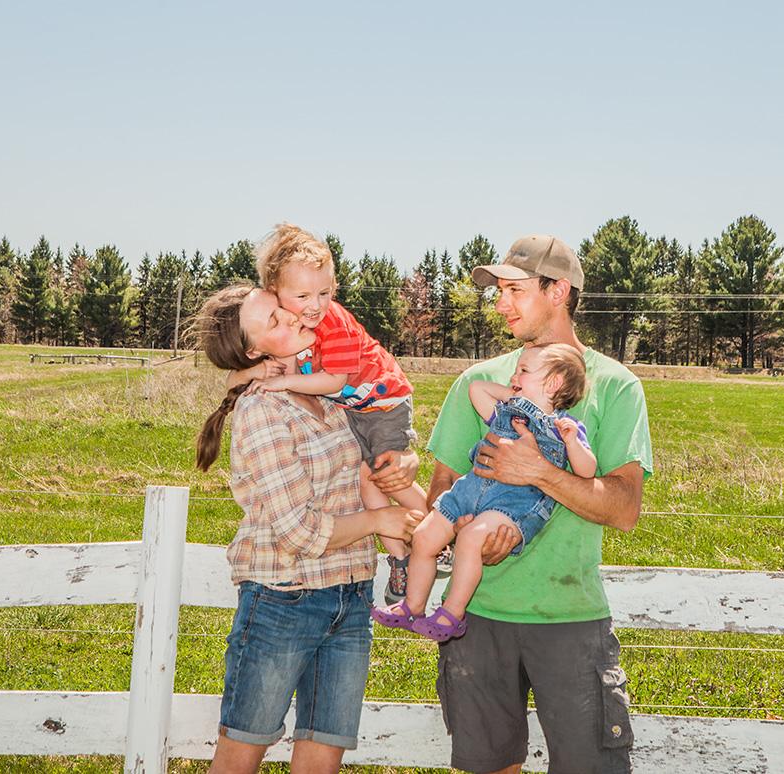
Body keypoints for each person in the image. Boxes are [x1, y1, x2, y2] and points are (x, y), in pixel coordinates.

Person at [426, 234, 653, 774]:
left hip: (571, 619)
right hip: (476, 618)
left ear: (560, 291)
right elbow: (442, 496)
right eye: (498, 291)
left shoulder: (615, 387)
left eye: (514, 290)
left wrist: (539, 473)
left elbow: (623, 508)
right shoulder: (479, 383)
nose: (500, 304)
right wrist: (475, 531)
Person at [193, 283, 425, 774]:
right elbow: (298, 532)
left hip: (351, 596)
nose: (296, 318)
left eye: (285, 309)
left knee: (322, 760)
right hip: (284, 598)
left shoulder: (325, 389)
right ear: (255, 351)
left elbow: (376, 441)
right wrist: (381, 520)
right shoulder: (263, 410)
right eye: (275, 321)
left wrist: (405, 459)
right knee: (241, 753)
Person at [227, 223, 429, 602]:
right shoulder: (275, 382)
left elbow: (334, 383)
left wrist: (280, 381)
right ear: (278, 294)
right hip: (287, 588)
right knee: (372, 478)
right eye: (301, 296)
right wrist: (254, 373)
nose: (313, 305)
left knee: (380, 473)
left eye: (324, 292)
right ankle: (402, 555)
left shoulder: (329, 325)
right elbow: (229, 378)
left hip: (382, 402)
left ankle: (438, 532)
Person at [370, 343, 596, 641]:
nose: (515, 375)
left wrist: (571, 443)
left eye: (524, 370)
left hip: (513, 505)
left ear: (553, 382)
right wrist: (514, 393)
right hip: (470, 489)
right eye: (516, 368)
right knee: (424, 535)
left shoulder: (565, 426)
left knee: (472, 537)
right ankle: (413, 605)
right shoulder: (506, 411)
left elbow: (586, 470)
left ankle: (451, 613)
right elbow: (477, 389)